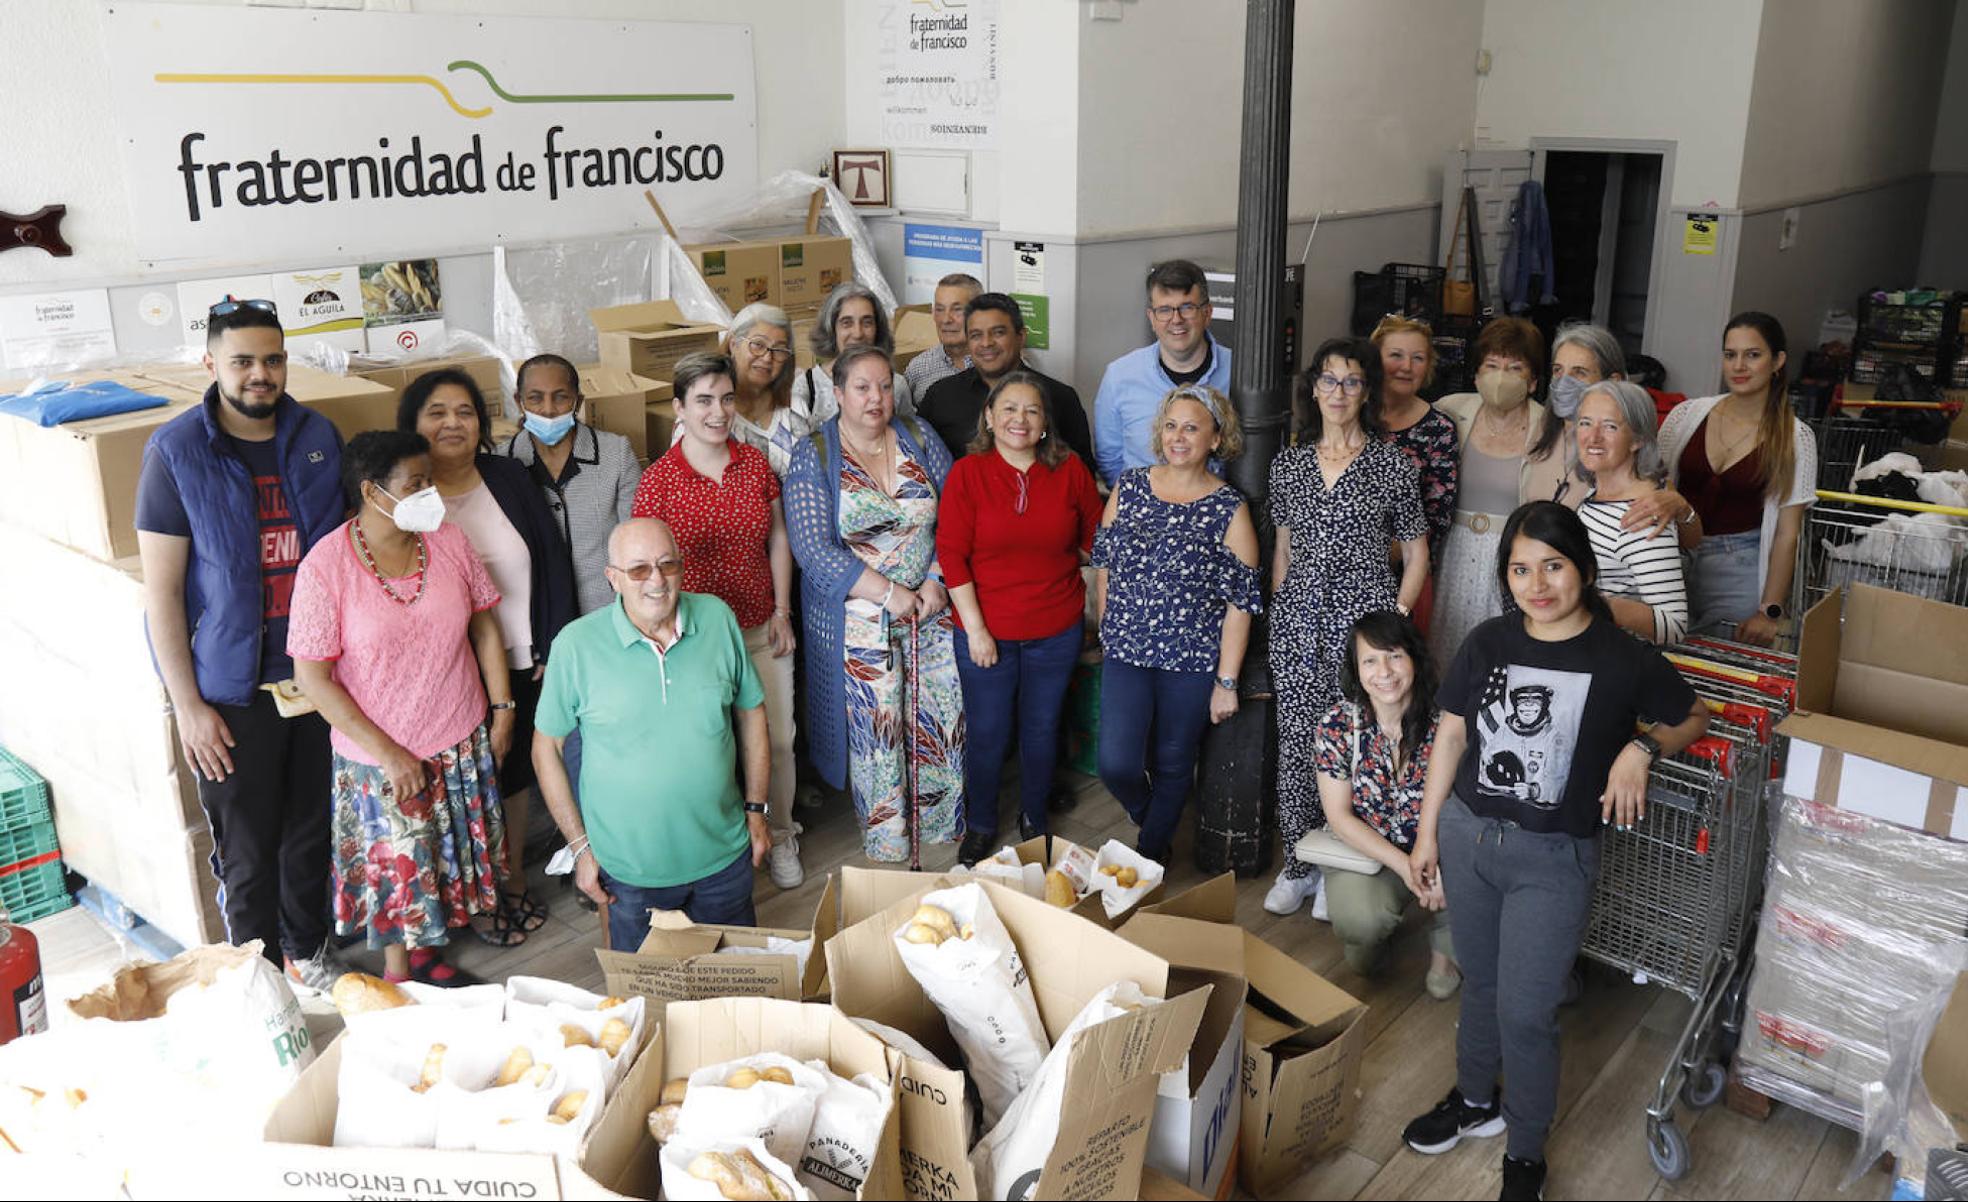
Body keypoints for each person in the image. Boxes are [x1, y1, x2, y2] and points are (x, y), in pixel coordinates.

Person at [1402, 501, 1708, 1201]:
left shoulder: (1622, 656)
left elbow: (1695, 713)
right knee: (1480, 986)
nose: (1536, 584)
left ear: (1585, 570)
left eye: (1553, 565)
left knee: (1527, 1011)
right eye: (1519, 568)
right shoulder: (1486, 642)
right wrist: (1426, 832)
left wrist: (1641, 748)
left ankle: (1526, 1151)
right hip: (1468, 835)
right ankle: (1475, 1100)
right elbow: (1450, 736)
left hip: (1553, 859)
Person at [135, 297, 347, 992]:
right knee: (248, 853)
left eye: (273, 359)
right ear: (211, 364)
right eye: (244, 361)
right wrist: (188, 706)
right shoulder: (176, 452)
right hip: (232, 692)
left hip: (316, 680)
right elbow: (161, 593)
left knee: (311, 836)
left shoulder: (317, 436)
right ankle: (254, 980)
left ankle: (308, 956)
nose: (261, 374)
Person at [288, 430, 517, 986]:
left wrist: (502, 706)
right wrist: (388, 753)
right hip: (378, 757)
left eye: (429, 481)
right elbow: (313, 678)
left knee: (443, 857)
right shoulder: (327, 566)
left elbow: (484, 625)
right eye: (415, 484)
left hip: (456, 731)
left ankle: (427, 954)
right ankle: (400, 979)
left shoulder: (448, 542)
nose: (429, 494)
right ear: (371, 491)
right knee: (396, 867)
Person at [531, 518, 770, 950]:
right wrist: (581, 848)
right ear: (613, 579)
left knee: (737, 991)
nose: (657, 580)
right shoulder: (575, 645)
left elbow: (751, 709)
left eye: (667, 564)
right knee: (649, 1000)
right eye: (639, 569)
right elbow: (546, 747)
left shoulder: (716, 617)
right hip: (630, 873)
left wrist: (756, 810)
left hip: (724, 856)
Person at [400, 369, 576, 946]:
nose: (453, 423)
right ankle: (470, 895)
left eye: (465, 411)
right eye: (437, 412)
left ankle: (510, 877)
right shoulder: (407, 496)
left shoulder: (507, 475)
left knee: (515, 772)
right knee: (461, 785)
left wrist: (552, 640)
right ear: (413, 424)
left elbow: (549, 555)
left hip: (522, 655)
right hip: (447, 671)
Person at [1264, 339, 1429, 920]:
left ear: (1367, 392)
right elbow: (1281, 550)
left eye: (1352, 381)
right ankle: (1298, 864)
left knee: (1357, 745)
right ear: (1313, 388)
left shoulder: (1390, 465)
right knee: (1297, 743)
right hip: (1299, 624)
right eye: (1329, 381)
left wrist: (1396, 623)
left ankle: (1342, 868)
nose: (1339, 393)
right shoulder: (1288, 464)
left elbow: (1416, 554)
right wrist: (1286, 606)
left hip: (1364, 627)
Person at [785, 345, 965, 863]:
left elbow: (956, 511)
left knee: (941, 719)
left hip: (932, 611)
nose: (876, 397)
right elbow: (814, 550)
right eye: (862, 387)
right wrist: (891, 595)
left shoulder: (919, 434)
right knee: (878, 734)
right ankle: (889, 847)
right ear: (838, 394)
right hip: (862, 625)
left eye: (885, 385)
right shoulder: (813, 453)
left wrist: (935, 580)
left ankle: (939, 836)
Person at [631, 353, 802, 888]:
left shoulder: (754, 465)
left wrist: (782, 609)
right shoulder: (658, 482)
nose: (718, 412)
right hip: (694, 640)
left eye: (726, 399)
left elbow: (778, 537)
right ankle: (723, 850)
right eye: (703, 400)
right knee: (709, 752)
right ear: (679, 407)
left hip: (757, 626)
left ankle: (782, 836)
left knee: (777, 742)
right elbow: (646, 572)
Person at [937, 372, 1104, 864]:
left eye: (1032, 410)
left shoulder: (1070, 470)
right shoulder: (968, 474)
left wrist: (1105, 611)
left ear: (1046, 422)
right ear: (989, 417)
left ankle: (1034, 815)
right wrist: (977, 630)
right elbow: (951, 555)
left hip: (1055, 629)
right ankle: (982, 823)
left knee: (1042, 727)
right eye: (1008, 409)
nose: (1020, 420)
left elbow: (1099, 540)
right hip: (986, 630)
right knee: (988, 733)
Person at [1092, 385, 1261, 865]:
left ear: (1215, 438)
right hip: (1127, 650)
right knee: (1116, 764)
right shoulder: (1131, 486)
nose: (1178, 437)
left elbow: (1240, 604)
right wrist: (1108, 625)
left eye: (1191, 427)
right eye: (1171, 426)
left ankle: (1149, 856)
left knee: (1172, 763)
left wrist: (1226, 682)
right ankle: (1155, 818)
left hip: (1190, 659)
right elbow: (1104, 562)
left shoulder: (1229, 508)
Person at [1315, 612, 1457, 996]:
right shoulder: (1338, 725)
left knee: (1471, 877)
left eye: (1394, 655)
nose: (1385, 671)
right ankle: (1385, 917)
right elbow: (1339, 817)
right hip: (1373, 850)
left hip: (1442, 849)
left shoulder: (1448, 721)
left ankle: (1445, 949)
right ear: (1356, 670)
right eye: (1370, 660)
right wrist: (1405, 866)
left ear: (1414, 658)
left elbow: (1466, 808)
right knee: (1362, 942)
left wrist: (1438, 861)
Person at [1654, 312, 1816, 645]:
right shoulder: (1686, 415)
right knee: (1660, 661)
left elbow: (1787, 535)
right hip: (1673, 554)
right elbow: (1655, 482)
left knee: (1721, 669)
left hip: (1739, 567)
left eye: (1753, 355)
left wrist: (1770, 610)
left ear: (1777, 361)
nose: (1739, 366)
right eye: (1731, 355)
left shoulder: (1795, 437)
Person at [1429, 318, 1560, 670]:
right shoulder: (1449, 411)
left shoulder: (1551, 428)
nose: (1501, 376)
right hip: (1452, 553)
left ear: (1533, 381)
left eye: (1515, 367)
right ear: (1475, 374)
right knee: (1443, 649)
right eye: (1492, 366)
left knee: (1503, 657)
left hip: (1513, 556)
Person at [497, 353, 639, 616]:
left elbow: (634, 541)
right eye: (535, 398)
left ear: (578, 401)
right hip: (536, 616)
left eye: (560, 397)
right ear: (519, 401)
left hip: (607, 612)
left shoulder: (616, 454)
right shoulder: (502, 462)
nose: (548, 409)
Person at [1093, 259, 1232, 486]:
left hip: (1218, 515)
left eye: (1187, 307)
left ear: (1207, 313)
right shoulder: (1119, 376)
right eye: (1165, 310)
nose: (1176, 320)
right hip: (1141, 514)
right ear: (1151, 318)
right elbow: (1110, 461)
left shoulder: (1239, 372)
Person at [1572, 380, 1689, 643]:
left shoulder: (1642, 516)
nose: (1593, 437)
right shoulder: (1596, 493)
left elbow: (1674, 626)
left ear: (1637, 439)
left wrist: (1588, 604)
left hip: (1611, 661)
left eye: (1610, 426)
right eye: (1585, 423)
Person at [918, 292, 1095, 467]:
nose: (986, 343)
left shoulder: (1060, 398)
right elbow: (919, 464)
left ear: (1021, 337)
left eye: (998, 333)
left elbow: (1083, 474)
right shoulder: (940, 396)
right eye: (976, 335)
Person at [1371, 315, 1459, 573]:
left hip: (1405, 567)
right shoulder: (1350, 414)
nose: (1407, 366)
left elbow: (1437, 515)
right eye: (1396, 355)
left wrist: (1382, 556)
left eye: (1418, 358)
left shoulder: (1440, 429)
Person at [794, 281, 919, 423]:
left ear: (878, 329)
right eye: (847, 323)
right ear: (831, 329)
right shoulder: (806, 388)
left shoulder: (897, 386)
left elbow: (910, 438)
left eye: (867, 323)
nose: (858, 333)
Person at [718, 302, 812, 478]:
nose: (768, 358)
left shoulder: (796, 410)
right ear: (733, 344)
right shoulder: (707, 413)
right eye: (758, 345)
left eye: (779, 349)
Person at [904, 272, 983, 397]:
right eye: (940, 309)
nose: (946, 319)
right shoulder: (918, 369)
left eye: (957, 309)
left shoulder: (997, 364)